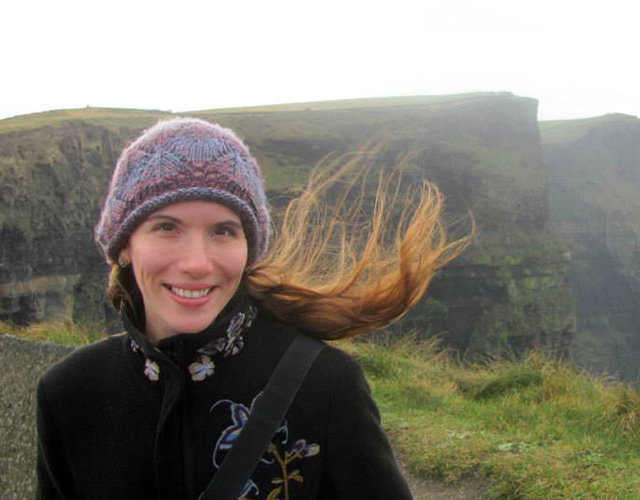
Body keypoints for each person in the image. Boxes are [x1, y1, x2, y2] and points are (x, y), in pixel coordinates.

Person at [36, 118, 469, 500]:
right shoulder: (69, 392)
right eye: (166, 227)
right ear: (124, 246)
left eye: (223, 231)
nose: (196, 263)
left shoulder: (325, 385)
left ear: (249, 247)